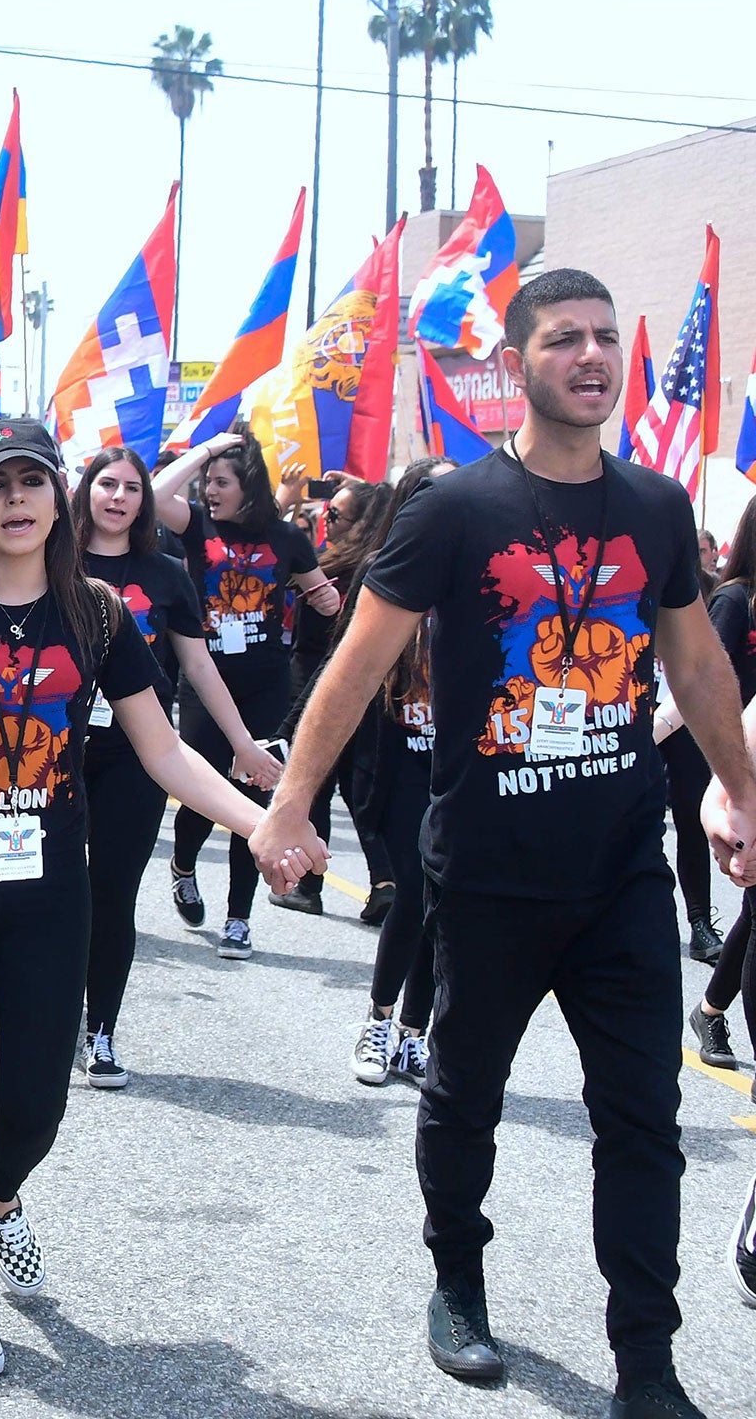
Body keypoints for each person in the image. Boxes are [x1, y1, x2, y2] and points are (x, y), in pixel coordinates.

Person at [251, 269, 756, 1418]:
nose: (590, 356)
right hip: (482, 874)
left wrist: (740, 792)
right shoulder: (456, 509)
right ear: (515, 363)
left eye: (603, 338)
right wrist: (290, 806)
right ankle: (457, 1280)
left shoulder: (655, 508)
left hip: (618, 869)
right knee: (462, 1095)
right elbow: (360, 662)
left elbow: (694, 664)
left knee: (641, 1122)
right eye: (563, 339)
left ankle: (646, 1360)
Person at [0, 417, 321, 1378]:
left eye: (31, 482)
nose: (15, 502)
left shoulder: (96, 613)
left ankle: (2, 1198)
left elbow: (164, 750)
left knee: (36, 1101)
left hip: (50, 884)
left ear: (57, 497)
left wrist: (259, 824)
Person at [71, 445, 282, 1086]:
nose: (118, 497)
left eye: (132, 488)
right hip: (48, 755)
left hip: (138, 755)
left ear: (144, 502)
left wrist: (243, 743)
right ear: (84, 493)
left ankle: (100, 1029)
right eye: (105, 484)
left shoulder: (165, 572)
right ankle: (35, 1011)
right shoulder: (52, 562)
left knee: (112, 896)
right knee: (48, 891)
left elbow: (197, 665)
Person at [151, 427, 339, 958]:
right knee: (203, 794)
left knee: (258, 795)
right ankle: (183, 864)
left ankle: (239, 918)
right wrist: (209, 450)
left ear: (249, 485)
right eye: (208, 481)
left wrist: (326, 602)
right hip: (207, 681)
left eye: (221, 481)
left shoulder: (287, 538)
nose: (210, 489)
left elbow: (320, 593)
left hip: (266, 685)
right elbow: (157, 494)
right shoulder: (195, 526)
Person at [323, 458, 457, 1086]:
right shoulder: (384, 574)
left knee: (442, 900)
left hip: (461, 765)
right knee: (412, 889)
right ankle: (379, 1021)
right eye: (431, 493)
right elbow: (339, 675)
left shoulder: (484, 576)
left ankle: (413, 1032)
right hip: (398, 761)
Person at [276, 474, 396, 919]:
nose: (327, 518)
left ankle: (308, 885)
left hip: (319, 682)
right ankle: (384, 881)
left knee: (317, 786)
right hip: (364, 691)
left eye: (336, 514)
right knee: (361, 791)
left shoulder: (337, 569)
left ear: (362, 521)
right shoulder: (380, 565)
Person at [665, 494, 756, 1066]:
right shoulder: (733, 601)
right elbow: (697, 675)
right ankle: (699, 919)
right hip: (718, 751)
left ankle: (712, 1009)